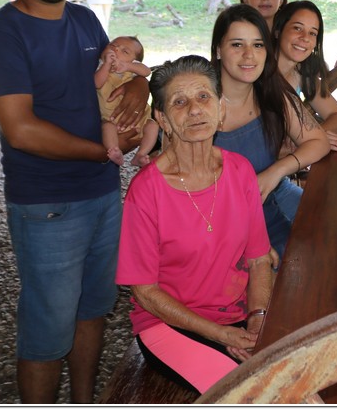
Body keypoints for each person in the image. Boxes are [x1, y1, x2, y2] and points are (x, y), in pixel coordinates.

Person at [0, 0, 148, 403]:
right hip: (47, 205)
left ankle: (84, 400)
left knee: (93, 311)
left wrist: (140, 83)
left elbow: (116, 70)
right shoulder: (0, 34)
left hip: (103, 195)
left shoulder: (85, 20)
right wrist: (104, 152)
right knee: (46, 332)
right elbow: (21, 130)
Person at [116, 55, 274, 394]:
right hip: (170, 324)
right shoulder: (146, 191)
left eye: (204, 97)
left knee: (304, 385)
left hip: (238, 315)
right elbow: (145, 292)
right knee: (251, 395)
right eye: (179, 102)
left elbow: (259, 259)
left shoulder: (240, 170)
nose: (195, 110)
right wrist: (220, 334)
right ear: (162, 119)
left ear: (220, 108)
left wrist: (258, 318)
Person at [211, 4, 331, 258]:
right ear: (219, 49)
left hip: (269, 219)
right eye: (237, 44)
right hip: (217, 232)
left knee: (330, 242)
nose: (249, 55)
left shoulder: (272, 93)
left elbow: (318, 141)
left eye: (258, 45)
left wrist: (276, 171)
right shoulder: (200, 103)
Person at [272, 1, 337, 152]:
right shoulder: (257, 75)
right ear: (278, 31)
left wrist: (313, 137)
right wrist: (310, 140)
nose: (305, 38)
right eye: (297, 28)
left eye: (312, 33)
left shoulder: (301, 75)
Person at [94, 35, 160, 167]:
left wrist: (128, 66)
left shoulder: (132, 70)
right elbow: (97, 83)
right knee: (107, 127)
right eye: (113, 46)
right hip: (112, 119)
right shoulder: (100, 66)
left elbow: (147, 71)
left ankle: (140, 154)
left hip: (139, 119)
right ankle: (114, 150)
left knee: (153, 125)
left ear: (133, 60)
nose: (116, 50)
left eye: (124, 51)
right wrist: (106, 65)